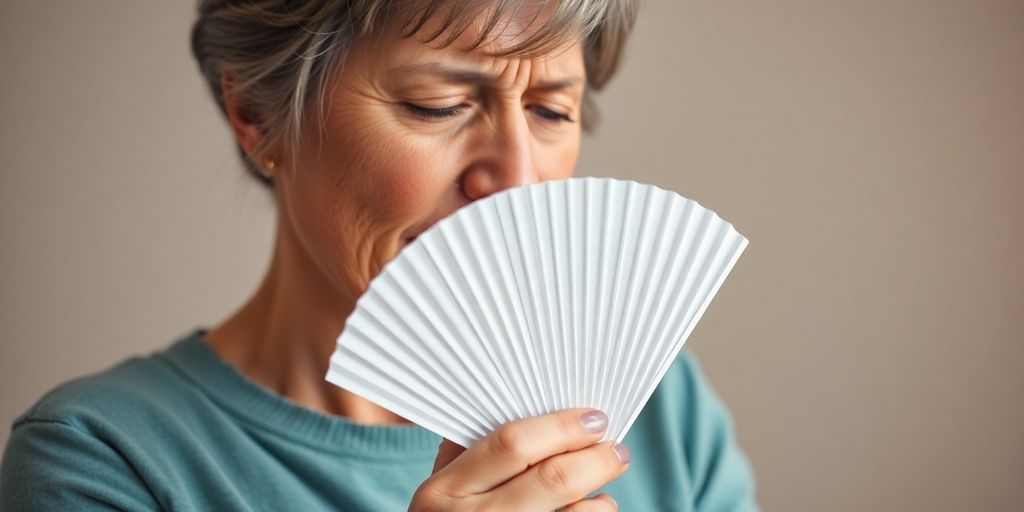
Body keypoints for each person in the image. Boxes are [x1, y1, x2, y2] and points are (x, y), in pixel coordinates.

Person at [0, 1, 758, 510]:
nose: (516, 179)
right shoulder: (108, 459)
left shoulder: (661, 410)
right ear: (256, 115)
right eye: (439, 104)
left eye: (550, 110)